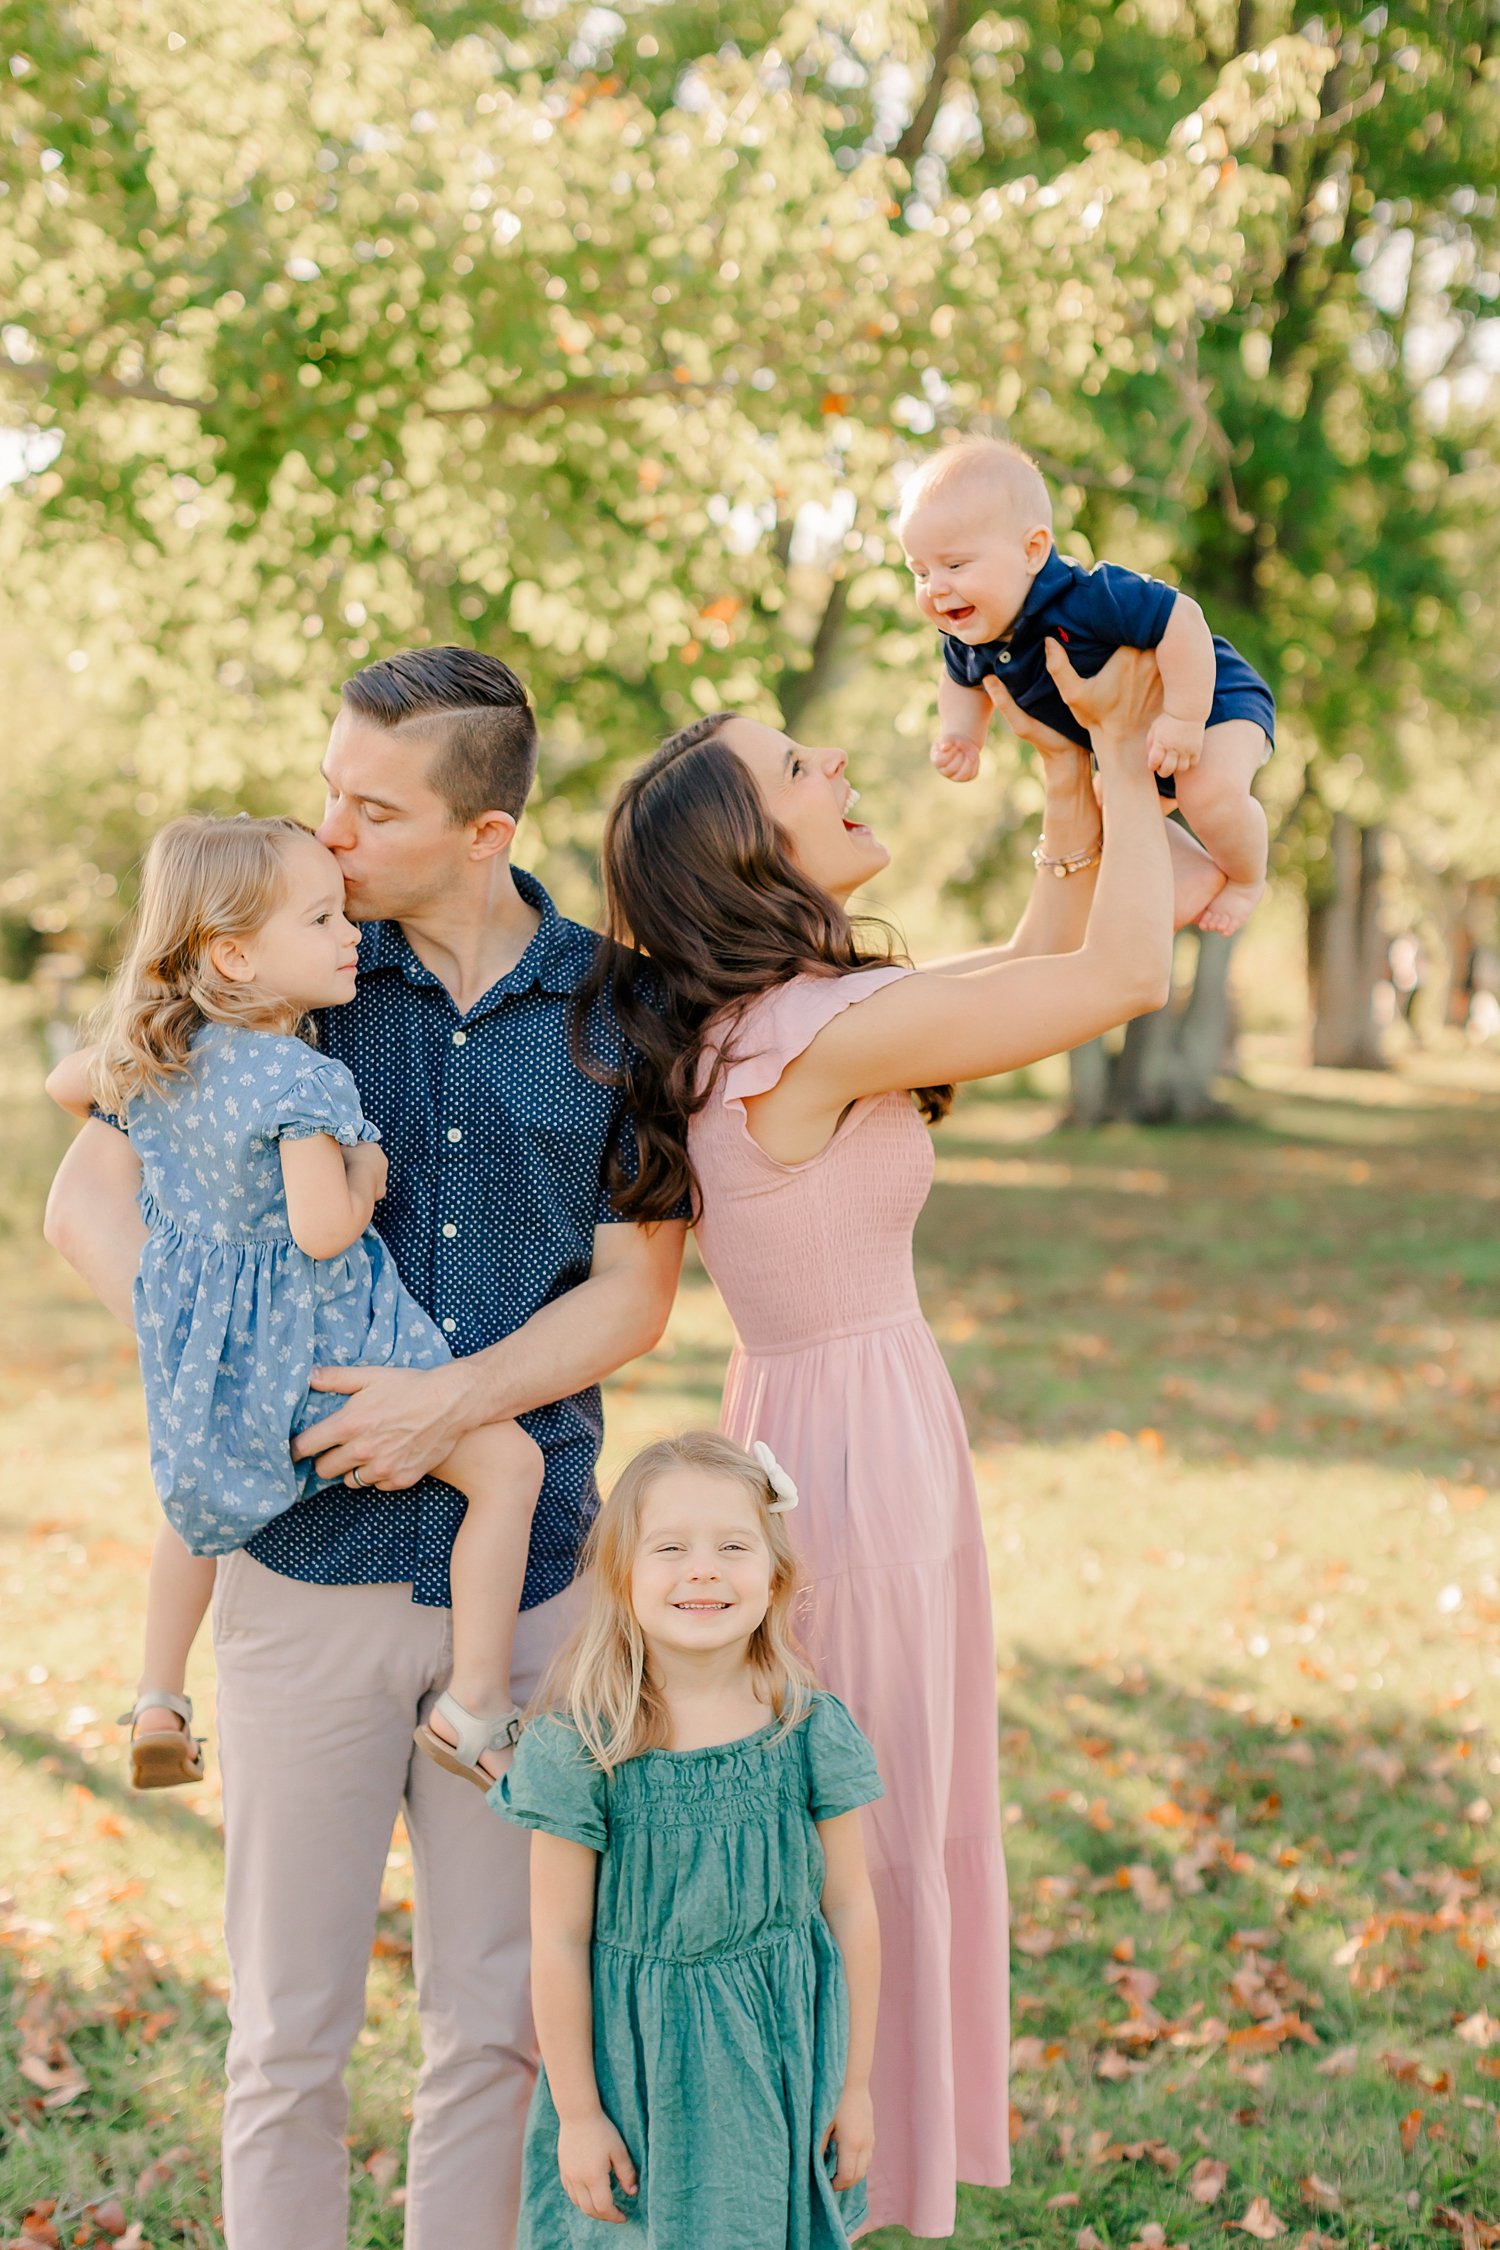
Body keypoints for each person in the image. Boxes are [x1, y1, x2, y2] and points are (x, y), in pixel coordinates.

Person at [43, 647, 685, 2250]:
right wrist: (226, 1353)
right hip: (299, 1577)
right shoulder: (280, 976)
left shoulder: (623, 1006)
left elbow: (633, 1294)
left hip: (523, 1595)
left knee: (496, 2022)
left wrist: (446, 1403)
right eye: (329, 790)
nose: (328, 830)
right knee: (286, 2036)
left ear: (485, 829)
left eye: (371, 807)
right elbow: (83, 1196)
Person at [578, 641, 1174, 2240]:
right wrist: (1123, 752)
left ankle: (842, 2171)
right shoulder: (807, 1040)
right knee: (879, 1820)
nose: (836, 769)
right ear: (746, 852)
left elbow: (1011, 977)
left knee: (887, 1812)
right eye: (797, 770)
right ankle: (846, 2176)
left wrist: (1064, 795)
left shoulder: (787, 1023)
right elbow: (1124, 980)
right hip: (849, 1461)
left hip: (835, 1424)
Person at [45, 813, 545, 1793]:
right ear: (234, 954)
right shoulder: (298, 1077)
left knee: (196, 1512)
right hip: (319, 1358)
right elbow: (323, 1230)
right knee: (510, 1466)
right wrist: (366, 1171)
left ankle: (159, 1697)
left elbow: (73, 1084)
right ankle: (479, 1706)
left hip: (215, 1364)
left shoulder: (166, 1058)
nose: (350, 933)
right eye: (321, 919)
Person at [495, 1430, 882, 2250]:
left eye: (733, 1547)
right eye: (670, 1547)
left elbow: (849, 1908)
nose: (703, 1569)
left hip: (779, 2060)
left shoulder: (807, 1730)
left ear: (774, 1577)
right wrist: (578, 2114)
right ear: (621, 1575)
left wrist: (854, 2087)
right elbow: (558, 1941)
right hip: (635, 2074)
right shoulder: (582, 1746)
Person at [903, 435, 1276, 936]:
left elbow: (1182, 618)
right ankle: (1194, 872)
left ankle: (1247, 880)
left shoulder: (1088, 596)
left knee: (1206, 791)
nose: (936, 588)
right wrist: (962, 736)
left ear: (1032, 550)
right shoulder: (970, 638)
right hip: (1136, 742)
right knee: (1102, 815)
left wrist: (1185, 718)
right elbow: (960, 682)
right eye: (920, 571)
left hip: (1215, 702)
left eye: (954, 565)